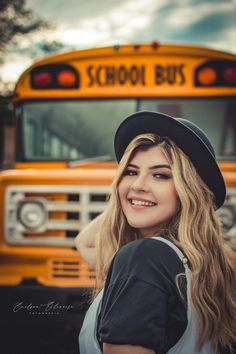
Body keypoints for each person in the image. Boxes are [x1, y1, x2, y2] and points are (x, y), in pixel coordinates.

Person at [75, 111, 236, 354]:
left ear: (189, 191)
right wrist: (127, 198)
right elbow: (84, 243)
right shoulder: (211, 266)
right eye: (130, 172)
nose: (139, 184)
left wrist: (131, 197)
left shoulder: (145, 259)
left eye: (160, 175)